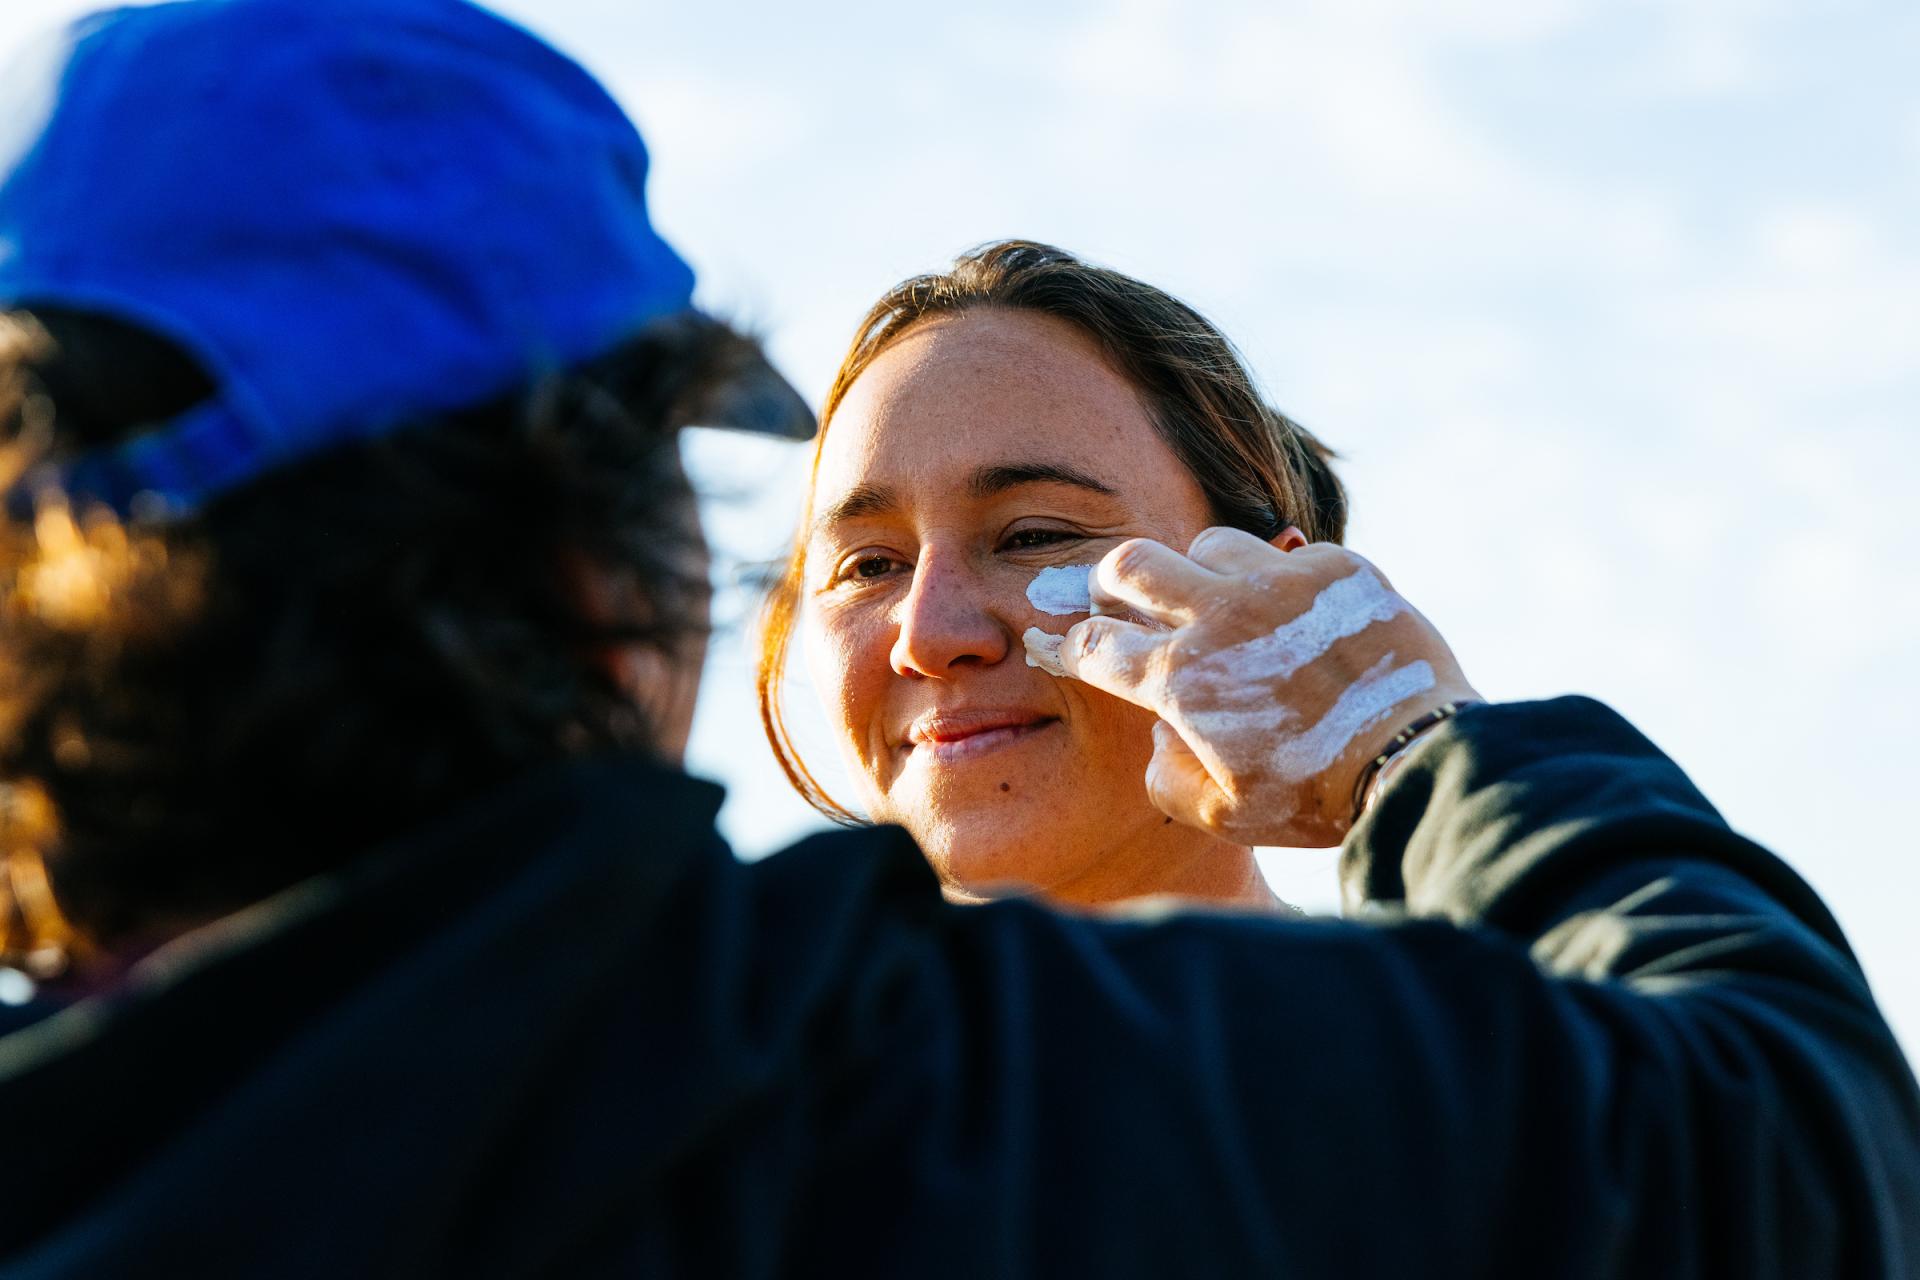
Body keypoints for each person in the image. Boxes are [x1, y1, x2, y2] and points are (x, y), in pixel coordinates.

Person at [0, 2, 1915, 1277]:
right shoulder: (869, 1105)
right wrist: (1430, 753)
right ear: (614, 579)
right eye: (855, 558)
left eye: (1043, 538)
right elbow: (1796, 1158)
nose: (935, 624)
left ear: (1274, 571)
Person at [758, 241, 1353, 909]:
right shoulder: (704, 1008)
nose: (925, 638)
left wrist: (1423, 757)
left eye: (1036, 535)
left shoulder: (1452, 1005)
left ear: (1278, 597)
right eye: (870, 566)